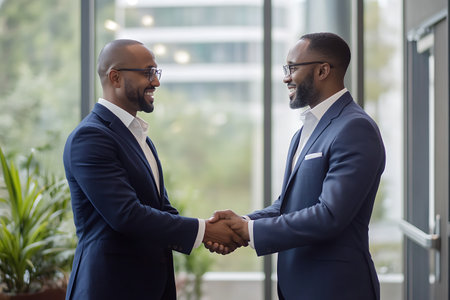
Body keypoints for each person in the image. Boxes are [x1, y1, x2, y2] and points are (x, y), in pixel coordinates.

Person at [208, 32, 385, 300]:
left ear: (323, 70)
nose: (285, 77)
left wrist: (248, 232)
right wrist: (245, 222)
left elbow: (329, 215)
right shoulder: (306, 130)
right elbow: (288, 205)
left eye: (292, 67)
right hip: (298, 287)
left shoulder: (354, 128)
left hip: (336, 289)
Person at [63, 39, 245, 300]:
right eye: (147, 72)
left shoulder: (140, 137)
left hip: (151, 286)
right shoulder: (91, 137)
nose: (156, 82)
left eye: (156, 73)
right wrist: (206, 230)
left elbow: (162, 209)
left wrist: (208, 233)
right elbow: (126, 215)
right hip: (109, 287)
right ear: (115, 77)